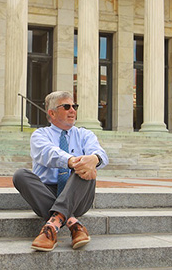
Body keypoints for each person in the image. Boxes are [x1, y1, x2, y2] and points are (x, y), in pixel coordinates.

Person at [12, 91, 109, 252]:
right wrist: (71, 161)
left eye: (74, 106)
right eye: (66, 106)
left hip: (79, 195)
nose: (72, 110)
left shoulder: (85, 134)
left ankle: (52, 226)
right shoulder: (40, 135)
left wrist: (94, 159)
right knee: (20, 175)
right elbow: (48, 153)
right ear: (52, 113)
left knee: (86, 168)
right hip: (45, 193)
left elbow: (101, 154)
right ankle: (72, 223)